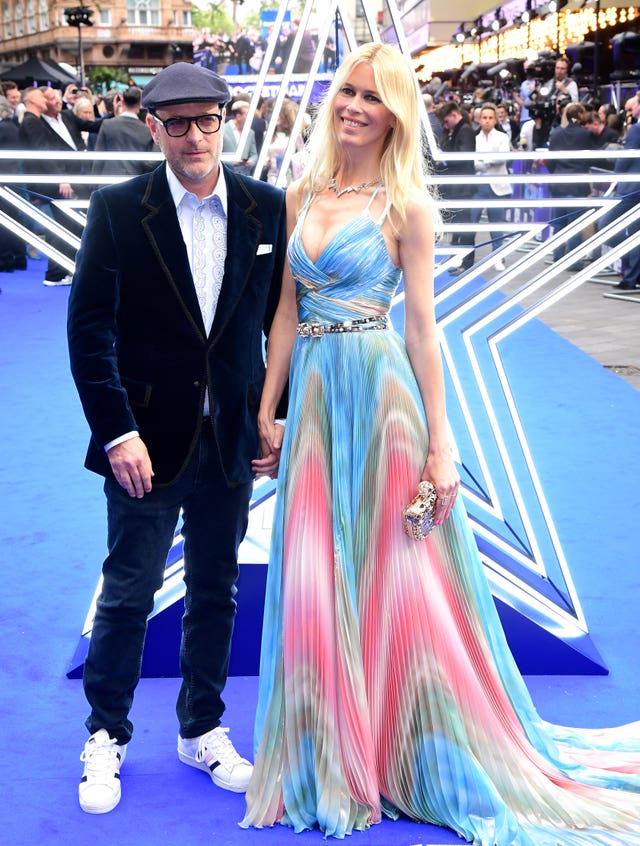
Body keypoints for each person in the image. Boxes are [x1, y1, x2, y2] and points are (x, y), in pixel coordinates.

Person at [240, 42, 640, 844]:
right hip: (316, 397)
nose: (354, 106)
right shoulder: (298, 194)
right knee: (319, 568)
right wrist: (267, 404)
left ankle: (410, 747)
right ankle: (330, 747)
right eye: (347, 92)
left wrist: (442, 445)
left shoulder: (407, 207)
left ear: (396, 115)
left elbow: (423, 329)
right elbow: (283, 310)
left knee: (398, 576)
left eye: (373, 97)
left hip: (383, 400)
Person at [67, 61, 287, 816]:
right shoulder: (119, 208)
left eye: (208, 120)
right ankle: (107, 734)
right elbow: (89, 329)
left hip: (230, 436)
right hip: (145, 440)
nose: (195, 137)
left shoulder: (267, 208)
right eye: (178, 123)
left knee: (216, 591)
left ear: (226, 121)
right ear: (152, 128)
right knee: (127, 592)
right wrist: (117, 429)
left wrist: (273, 412)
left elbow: (276, 328)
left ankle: (202, 727)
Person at [547, 102, 595, 269]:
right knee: (575, 224)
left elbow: (550, 162)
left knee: (559, 224)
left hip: (559, 183)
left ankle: (558, 257)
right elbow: (591, 159)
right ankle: (573, 261)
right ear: (581, 115)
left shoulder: (556, 134)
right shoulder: (585, 135)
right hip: (576, 185)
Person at [471, 102, 512, 271]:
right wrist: (485, 163)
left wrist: (483, 163)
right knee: (471, 222)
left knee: (497, 225)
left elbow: (502, 158)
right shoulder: (474, 139)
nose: (487, 121)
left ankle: (498, 257)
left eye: (490, 118)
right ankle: (465, 257)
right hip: (478, 186)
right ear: (479, 120)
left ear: (495, 120)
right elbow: (472, 163)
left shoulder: (502, 137)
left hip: (498, 186)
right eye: (484, 118)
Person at [436, 100, 476, 273]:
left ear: (453, 115)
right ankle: (461, 260)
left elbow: (463, 156)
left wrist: (444, 158)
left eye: (446, 121)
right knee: (459, 226)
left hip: (463, 188)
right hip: (456, 187)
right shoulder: (456, 131)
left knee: (465, 226)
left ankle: (466, 262)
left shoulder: (465, 131)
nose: (445, 125)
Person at [92, 85, 158, 177]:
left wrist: (94, 185)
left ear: (122, 101)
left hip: (108, 182)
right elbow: (150, 163)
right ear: (140, 104)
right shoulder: (146, 131)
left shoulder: (107, 125)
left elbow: (98, 158)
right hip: (133, 181)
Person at [222, 99, 258, 175]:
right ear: (238, 116)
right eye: (248, 115)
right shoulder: (222, 131)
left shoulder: (250, 132)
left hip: (245, 177)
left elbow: (254, 154)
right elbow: (216, 157)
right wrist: (231, 163)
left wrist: (251, 161)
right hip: (227, 175)